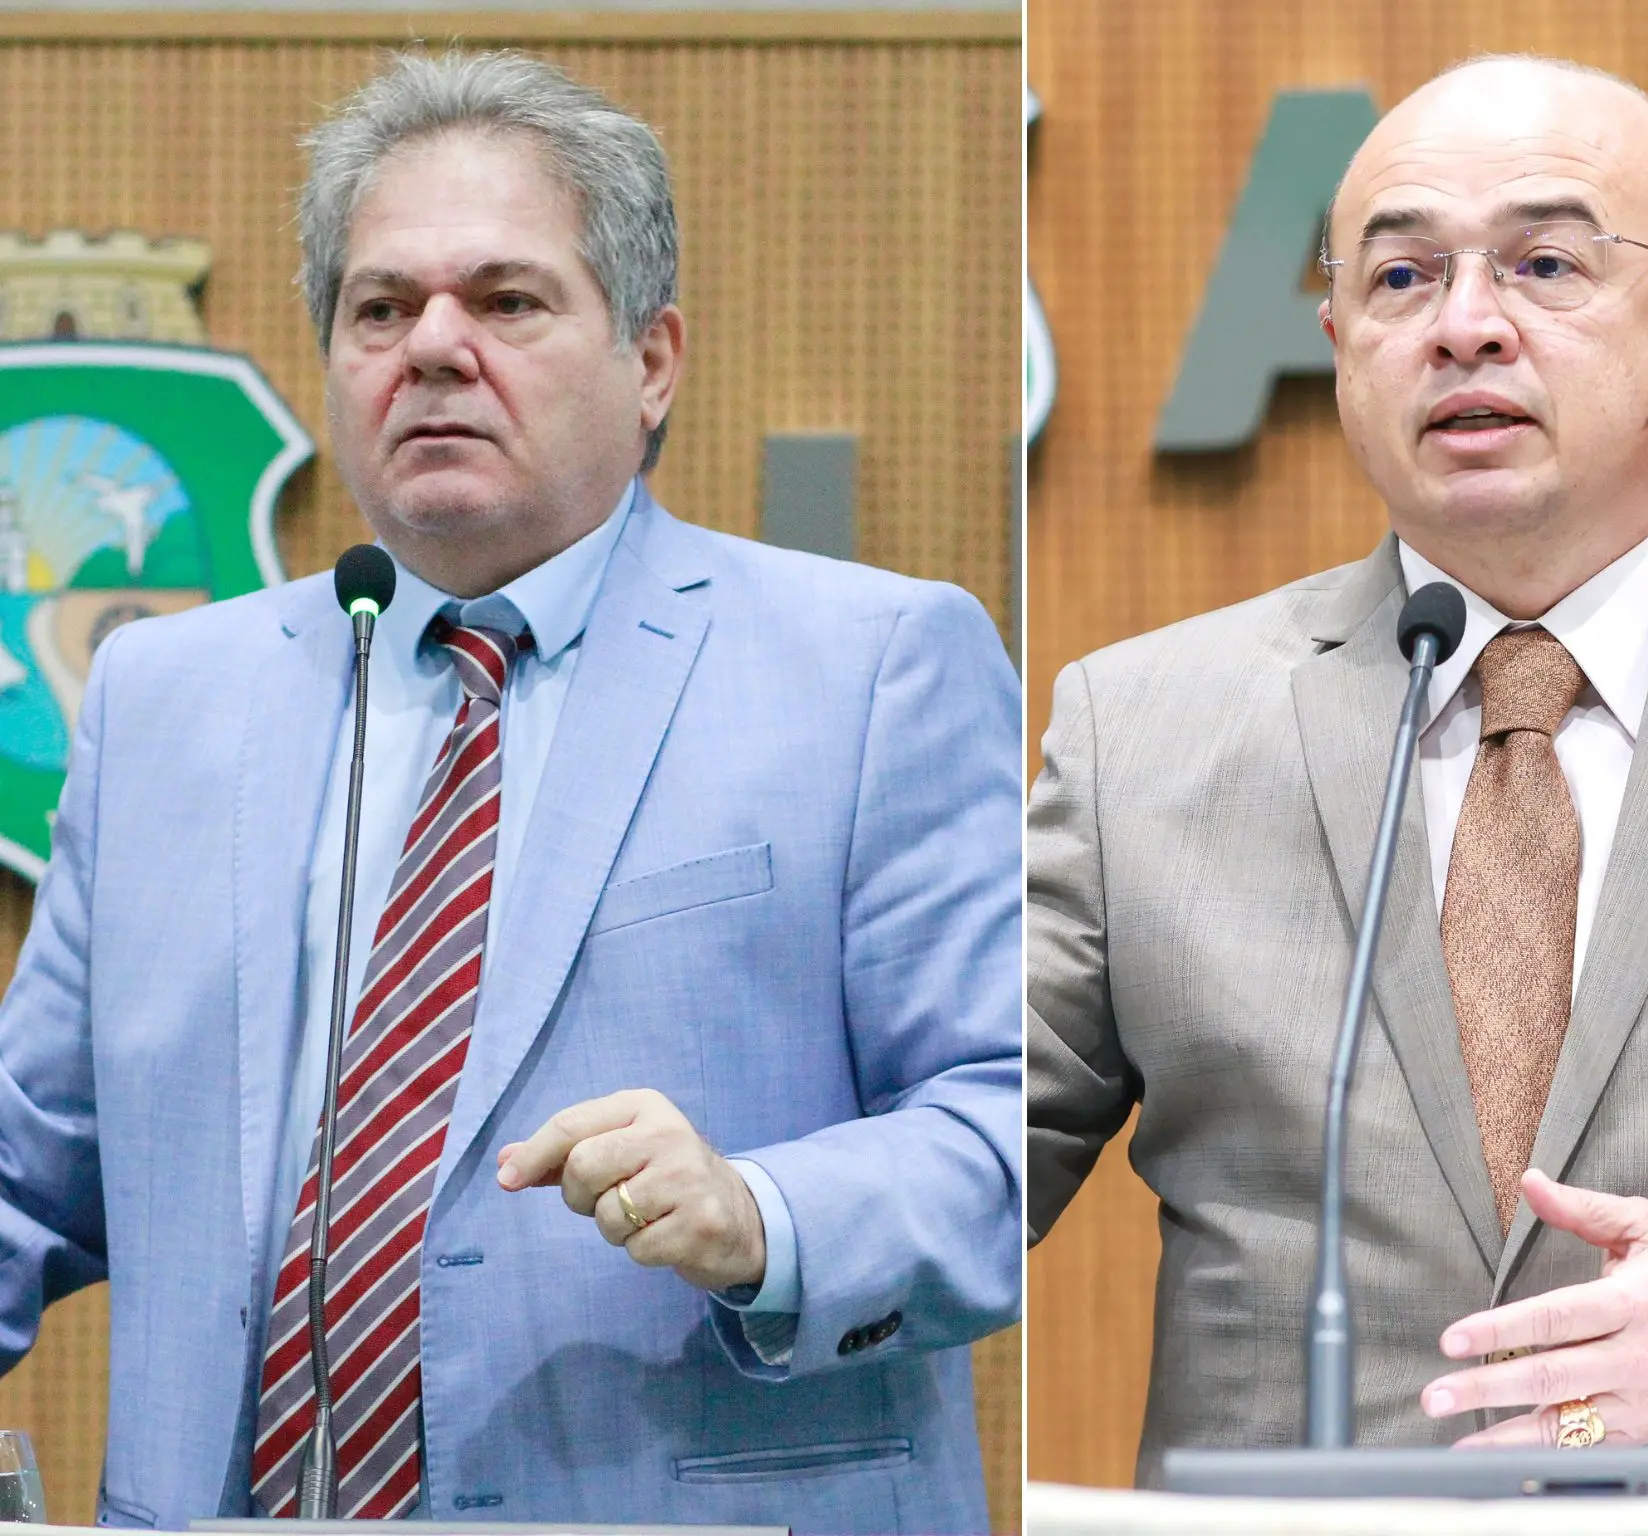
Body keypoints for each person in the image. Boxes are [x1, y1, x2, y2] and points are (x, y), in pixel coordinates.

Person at [0, 49, 1021, 1534]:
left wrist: (761, 1213)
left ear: (653, 358)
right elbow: (32, 1169)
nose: (430, 346)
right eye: (379, 307)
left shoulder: (872, 668)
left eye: (505, 298)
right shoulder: (168, 702)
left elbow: (1000, 1128)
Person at [1028, 52, 1648, 1481]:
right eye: (1399, 281)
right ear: (1336, 341)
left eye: (1545, 264)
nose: (1463, 329)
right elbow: (961, 1155)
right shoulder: (1140, 732)